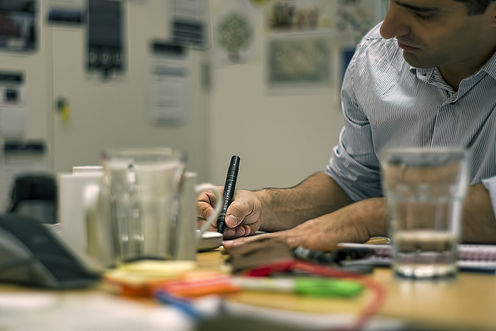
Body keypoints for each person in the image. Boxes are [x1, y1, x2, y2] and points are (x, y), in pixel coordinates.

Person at [198, 0, 496, 251]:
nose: (388, 28)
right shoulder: (377, 61)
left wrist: (371, 216)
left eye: (422, 13)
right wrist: (264, 206)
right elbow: (351, 185)